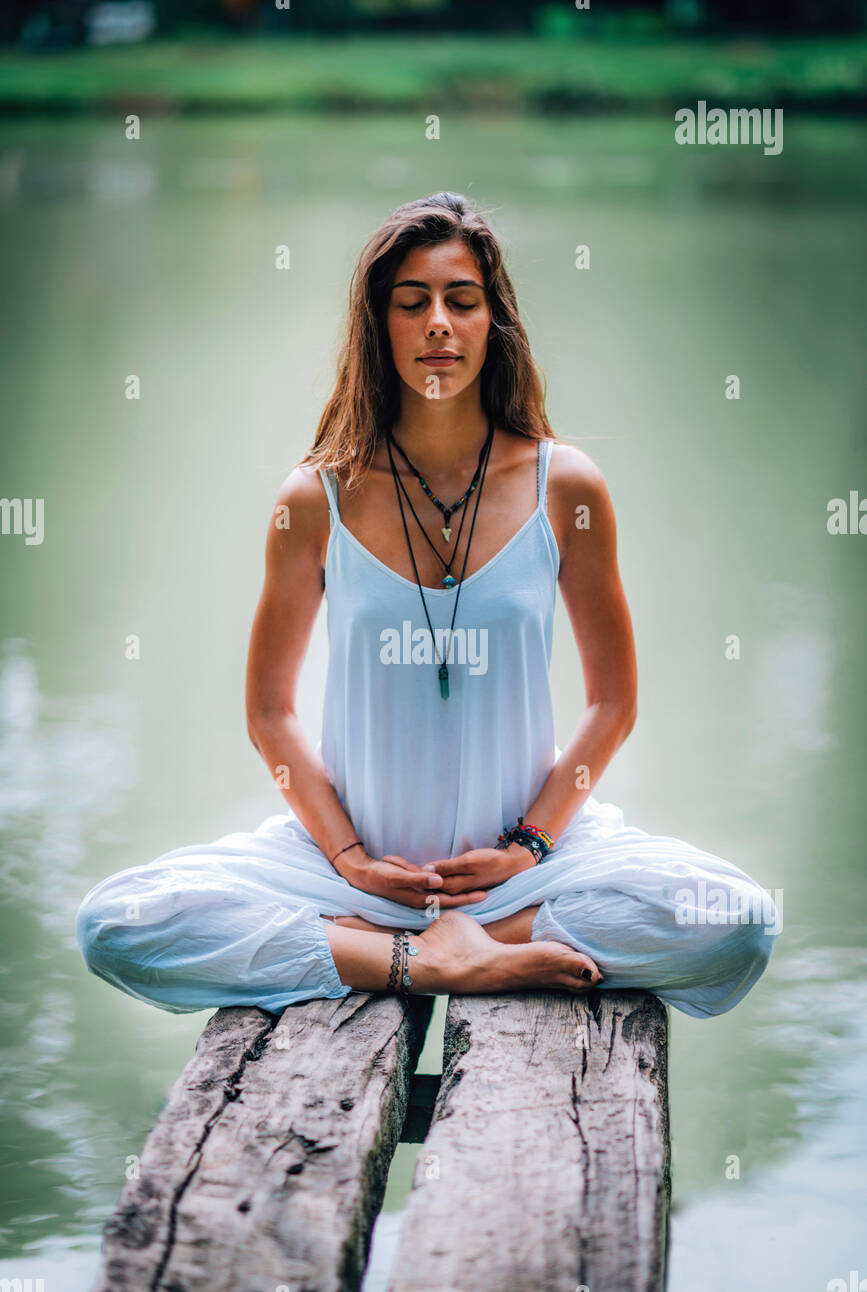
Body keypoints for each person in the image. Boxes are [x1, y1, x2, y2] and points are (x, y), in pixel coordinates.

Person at [75, 191, 777, 1021]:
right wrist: (348, 857)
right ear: (381, 327)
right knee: (115, 926)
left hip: (524, 870)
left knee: (740, 921)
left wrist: (528, 847)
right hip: (357, 871)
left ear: (492, 322)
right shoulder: (316, 497)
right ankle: (426, 959)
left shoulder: (567, 487)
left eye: (461, 300)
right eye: (412, 304)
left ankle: (482, 943)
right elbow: (269, 711)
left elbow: (612, 703)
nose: (438, 323)